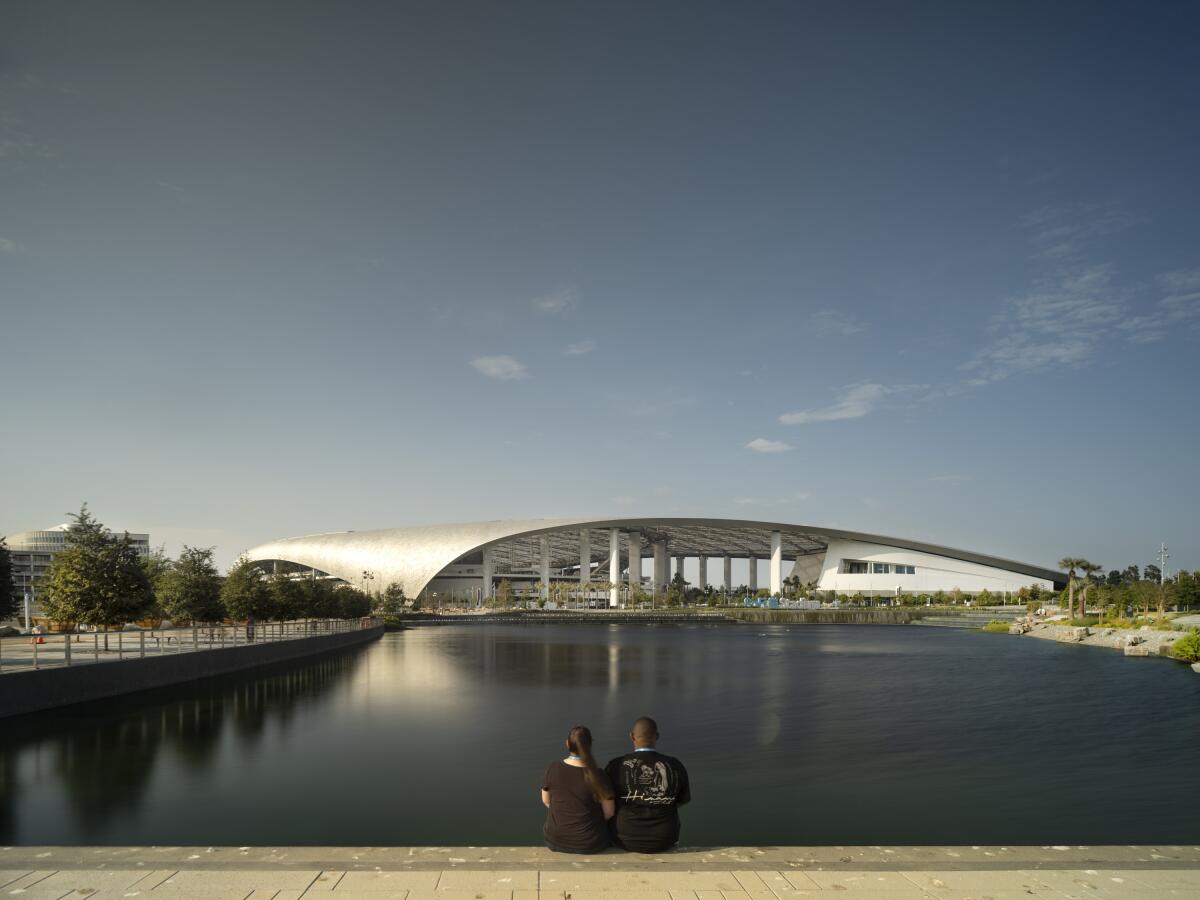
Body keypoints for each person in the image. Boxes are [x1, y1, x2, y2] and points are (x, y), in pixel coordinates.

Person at [604, 716, 690, 853]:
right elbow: (683, 800)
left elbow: (607, 801)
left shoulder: (616, 765)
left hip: (623, 839)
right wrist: (660, 801)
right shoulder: (674, 765)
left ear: (632, 737)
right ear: (657, 736)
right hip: (664, 839)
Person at [540, 725, 615, 853]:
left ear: (567, 744)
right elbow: (609, 813)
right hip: (590, 843)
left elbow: (546, 801)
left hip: (555, 840)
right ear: (590, 745)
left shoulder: (552, 768)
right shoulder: (599, 775)